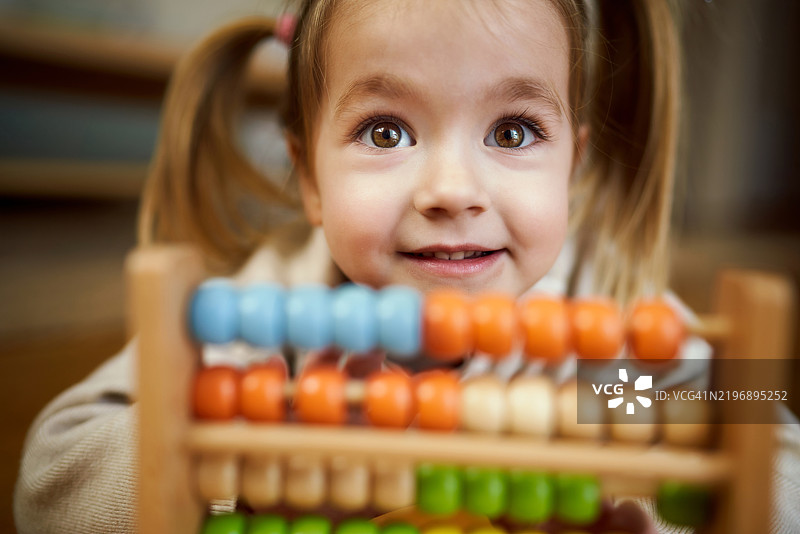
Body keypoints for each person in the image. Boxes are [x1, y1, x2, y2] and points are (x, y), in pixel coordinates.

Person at [14, 1, 800, 533]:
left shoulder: (598, 345)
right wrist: (238, 462)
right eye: (386, 132)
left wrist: (640, 494)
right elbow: (52, 471)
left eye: (515, 131)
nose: (452, 191)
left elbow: (759, 415)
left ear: (573, 163)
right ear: (311, 179)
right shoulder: (268, 315)